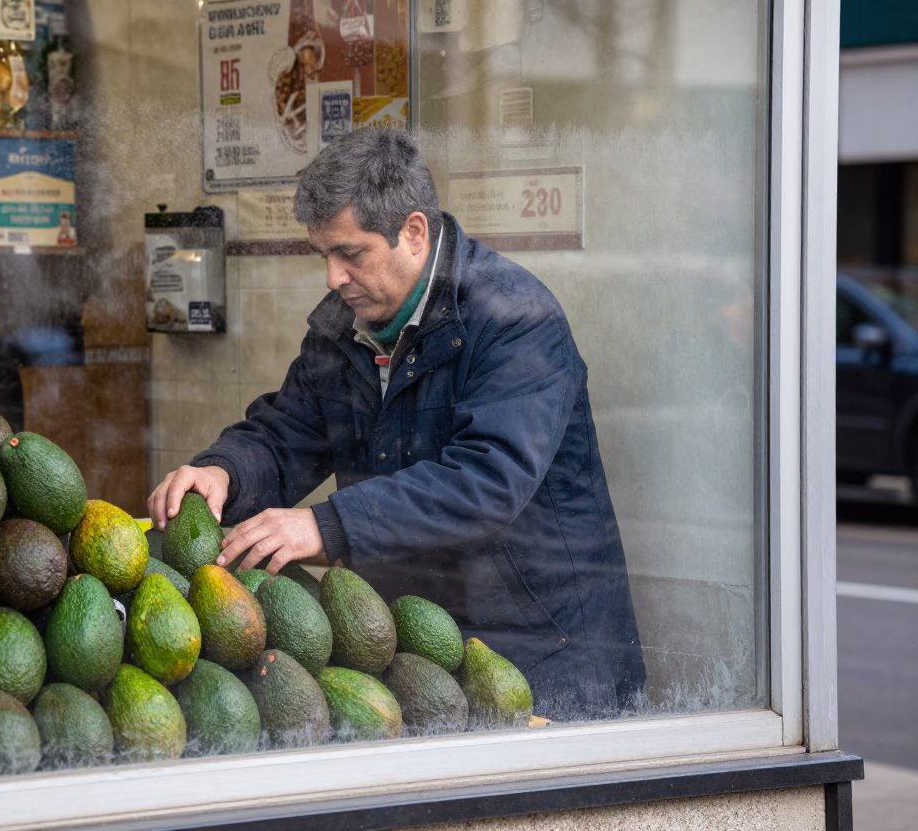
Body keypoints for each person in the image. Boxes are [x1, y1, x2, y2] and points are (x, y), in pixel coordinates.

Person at [148, 128, 645, 719]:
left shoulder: (516, 319)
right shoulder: (345, 326)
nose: (333, 277)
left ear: (413, 232)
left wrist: (329, 526)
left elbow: (489, 479)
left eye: (351, 254)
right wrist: (223, 471)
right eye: (323, 256)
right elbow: (288, 432)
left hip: (546, 658)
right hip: (415, 652)